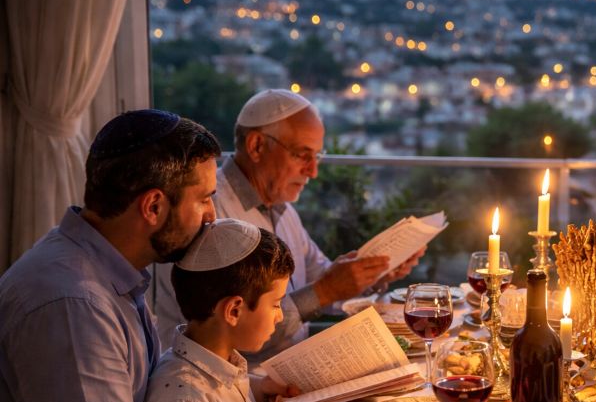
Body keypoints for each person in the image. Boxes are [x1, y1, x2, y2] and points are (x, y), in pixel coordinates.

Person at [0, 111, 266, 402]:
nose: (212, 215)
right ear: (153, 206)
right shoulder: (73, 303)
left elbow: (147, 390)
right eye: (206, 198)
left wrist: (258, 390)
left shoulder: (108, 269)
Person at [152, 88, 424, 364]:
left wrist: (375, 274)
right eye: (302, 154)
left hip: (290, 373)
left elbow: (321, 277)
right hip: (236, 388)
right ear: (257, 146)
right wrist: (325, 291)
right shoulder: (209, 213)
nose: (313, 171)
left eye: (317, 157)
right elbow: (233, 335)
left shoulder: (283, 208)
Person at [141, 219, 299, 402]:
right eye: (276, 304)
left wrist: (262, 388)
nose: (280, 317)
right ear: (234, 310)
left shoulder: (219, 362)